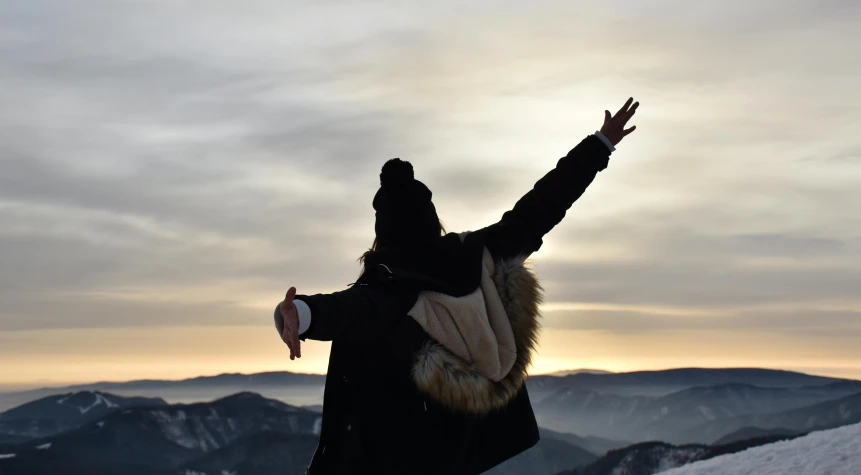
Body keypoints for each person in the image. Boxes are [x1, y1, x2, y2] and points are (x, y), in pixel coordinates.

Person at [275, 98, 639, 475]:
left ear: (382, 232)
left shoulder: (390, 290)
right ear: (433, 221)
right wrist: (600, 145)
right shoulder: (478, 256)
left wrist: (300, 314)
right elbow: (541, 207)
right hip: (462, 449)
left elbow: (350, 310)